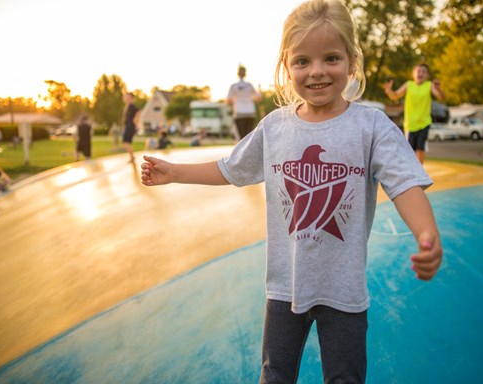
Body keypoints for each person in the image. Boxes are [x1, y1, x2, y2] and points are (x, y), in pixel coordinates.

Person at [141, 0, 443, 382]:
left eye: (331, 58)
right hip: (285, 288)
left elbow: (405, 184)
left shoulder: (371, 126)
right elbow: (231, 168)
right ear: (286, 66)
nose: (316, 72)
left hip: (344, 291)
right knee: (275, 375)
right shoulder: (275, 127)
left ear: (352, 61)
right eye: (302, 61)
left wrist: (425, 233)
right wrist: (175, 172)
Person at [382, 63, 445, 164]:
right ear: (413, 74)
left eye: (424, 72)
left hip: (424, 123)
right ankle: (412, 168)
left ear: (427, 75)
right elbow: (395, 96)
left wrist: (438, 89)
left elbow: (441, 97)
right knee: (410, 150)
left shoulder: (429, 85)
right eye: (418, 71)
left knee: (420, 148)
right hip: (410, 124)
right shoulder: (408, 85)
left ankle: (420, 170)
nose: (421, 73)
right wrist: (389, 91)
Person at [226, 64, 262, 140]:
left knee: (241, 137)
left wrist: (235, 99)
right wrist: (259, 89)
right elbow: (259, 98)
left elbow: (228, 100)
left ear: (238, 74)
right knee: (248, 136)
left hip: (239, 113)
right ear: (245, 73)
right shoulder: (249, 85)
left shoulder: (234, 86)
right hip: (250, 112)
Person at [122, 92, 140, 163]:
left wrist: (135, 121)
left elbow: (138, 112)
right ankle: (132, 157)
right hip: (127, 126)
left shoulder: (131, 105)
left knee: (126, 142)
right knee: (126, 142)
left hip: (130, 126)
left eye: (126, 97)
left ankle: (132, 157)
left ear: (130, 98)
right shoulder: (128, 106)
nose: (124, 98)